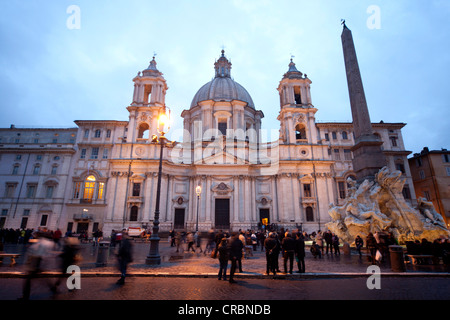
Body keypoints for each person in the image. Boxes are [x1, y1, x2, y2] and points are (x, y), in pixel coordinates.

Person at [20, 230, 55, 300]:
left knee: (28, 280)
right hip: (40, 262)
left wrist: (27, 264)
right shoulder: (48, 243)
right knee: (43, 278)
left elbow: (33, 252)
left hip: (36, 262)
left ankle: (25, 296)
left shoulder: (41, 243)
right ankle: (53, 288)